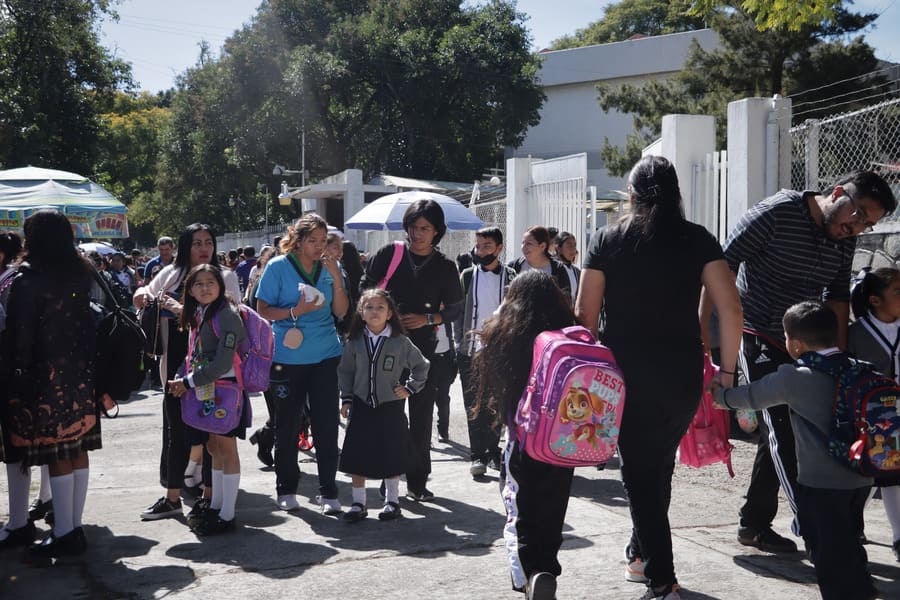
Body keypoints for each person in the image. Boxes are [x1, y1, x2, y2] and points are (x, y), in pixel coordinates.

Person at [701, 170, 897, 554]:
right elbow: (720, 266)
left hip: (808, 344)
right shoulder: (776, 213)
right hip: (757, 329)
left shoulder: (843, 240)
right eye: (857, 215)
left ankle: (753, 524)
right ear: (838, 193)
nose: (856, 228)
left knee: (795, 430)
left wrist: (839, 360)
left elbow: (839, 298)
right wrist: (707, 339)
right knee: (781, 429)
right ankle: (815, 531)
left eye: (868, 224)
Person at [577, 155, 742, 599]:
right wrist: (726, 372)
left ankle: (661, 580)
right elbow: (731, 308)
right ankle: (638, 553)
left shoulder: (607, 240)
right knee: (656, 468)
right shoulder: (699, 239)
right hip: (682, 372)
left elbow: (585, 316)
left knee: (640, 475)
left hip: (624, 375)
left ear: (631, 195)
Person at [713, 301, 877, 600]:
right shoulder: (859, 368)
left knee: (827, 556)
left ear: (796, 345)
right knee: (850, 544)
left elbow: (751, 396)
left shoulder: (794, 377)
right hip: (862, 479)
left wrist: (720, 396)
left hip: (821, 485)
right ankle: (862, 591)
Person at [0, 209, 100, 557]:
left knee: (58, 454)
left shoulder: (27, 280)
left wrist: (17, 377)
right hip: (80, 374)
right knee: (77, 450)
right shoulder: (80, 272)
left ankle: (63, 533)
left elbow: (21, 335)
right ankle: (73, 527)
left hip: (44, 378)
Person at [474, 270, 577, 600]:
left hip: (523, 439)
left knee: (520, 510)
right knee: (552, 508)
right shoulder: (569, 334)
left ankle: (528, 576)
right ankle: (547, 568)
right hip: (561, 442)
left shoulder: (505, 333)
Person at [133, 224, 241, 521]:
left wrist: (179, 307)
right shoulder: (171, 273)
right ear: (185, 247)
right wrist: (142, 295)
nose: (204, 248)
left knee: (211, 435)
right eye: (196, 243)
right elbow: (146, 291)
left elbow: (231, 315)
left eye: (208, 242)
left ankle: (209, 495)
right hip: (175, 362)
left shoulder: (226, 277)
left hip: (211, 371)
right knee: (175, 432)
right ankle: (172, 496)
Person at [359, 199, 464, 501]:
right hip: (385, 350)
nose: (417, 234)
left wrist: (427, 319)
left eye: (424, 228)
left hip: (423, 355)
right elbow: (364, 287)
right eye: (413, 227)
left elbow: (456, 309)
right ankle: (389, 476)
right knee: (390, 416)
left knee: (421, 419)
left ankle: (418, 480)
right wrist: (383, 311)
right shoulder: (390, 254)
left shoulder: (445, 266)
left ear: (436, 232)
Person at [256, 213, 349, 514]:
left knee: (326, 424)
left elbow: (342, 311)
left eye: (323, 241)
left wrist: (335, 277)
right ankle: (286, 487)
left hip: (325, 355)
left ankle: (329, 491)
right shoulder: (278, 267)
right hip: (287, 357)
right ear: (297, 240)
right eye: (313, 241)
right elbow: (263, 309)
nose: (319, 247)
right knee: (287, 424)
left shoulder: (329, 268)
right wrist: (296, 311)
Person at [166, 265, 248, 536]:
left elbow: (223, 361)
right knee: (213, 448)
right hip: (208, 390)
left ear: (220, 286)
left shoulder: (227, 315)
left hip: (226, 391)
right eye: (198, 284)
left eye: (210, 282)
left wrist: (187, 382)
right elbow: (195, 355)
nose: (205, 288)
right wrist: (183, 378)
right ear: (190, 290)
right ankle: (216, 505)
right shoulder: (200, 314)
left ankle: (227, 513)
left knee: (227, 449)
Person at [338, 288, 430, 522]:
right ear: (361, 312)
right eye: (369, 307)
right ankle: (358, 503)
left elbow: (421, 365)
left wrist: (409, 388)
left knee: (391, 455)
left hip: (389, 406)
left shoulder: (400, 342)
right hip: (360, 405)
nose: (374, 311)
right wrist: (346, 398)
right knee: (357, 456)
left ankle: (392, 502)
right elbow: (346, 371)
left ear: (390, 313)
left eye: (380, 307)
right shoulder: (355, 341)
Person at [454, 226, 516, 477]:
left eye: (487, 246)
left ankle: (493, 451)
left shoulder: (512, 276)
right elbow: (458, 311)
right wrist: (459, 340)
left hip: (500, 351)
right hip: (469, 350)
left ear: (500, 248)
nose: (481, 251)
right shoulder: (467, 275)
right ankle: (476, 454)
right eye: (478, 246)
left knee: (497, 402)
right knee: (473, 402)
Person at [848, 266, 900, 560]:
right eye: (898, 292)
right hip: (874, 417)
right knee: (872, 474)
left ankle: (898, 538)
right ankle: (853, 527)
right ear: (875, 300)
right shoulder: (856, 334)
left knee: (893, 477)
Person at [508, 226, 572, 303]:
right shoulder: (514, 267)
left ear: (542, 246)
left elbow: (566, 300)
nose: (523, 247)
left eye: (529, 244)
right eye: (523, 243)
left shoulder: (558, 269)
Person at [553, 231, 580, 306]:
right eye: (569, 246)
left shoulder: (576, 271)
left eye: (574, 245)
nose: (573, 249)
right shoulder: (552, 269)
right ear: (558, 248)